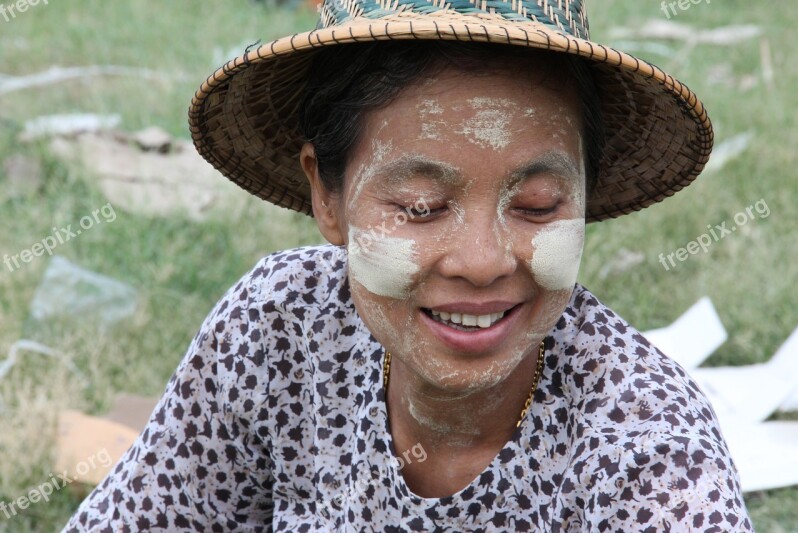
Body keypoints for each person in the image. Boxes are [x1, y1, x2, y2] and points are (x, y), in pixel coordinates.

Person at [64, 0, 754, 531]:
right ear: (326, 195)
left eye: (539, 205)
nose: (483, 262)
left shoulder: (653, 461)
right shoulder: (279, 329)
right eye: (421, 206)